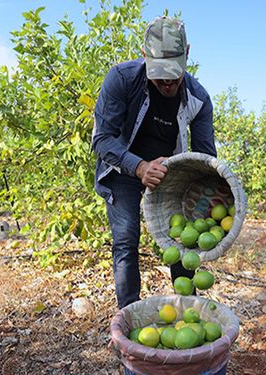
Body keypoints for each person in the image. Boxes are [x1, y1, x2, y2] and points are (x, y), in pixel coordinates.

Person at [91, 16, 216, 309]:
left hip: (169, 174)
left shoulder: (198, 99)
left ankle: (189, 310)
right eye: (160, 73)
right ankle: (129, 315)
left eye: (174, 73)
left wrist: (209, 201)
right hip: (123, 167)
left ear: (187, 54)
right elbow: (102, 140)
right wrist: (139, 167)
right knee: (126, 240)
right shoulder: (122, 79)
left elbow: (206, 159)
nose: (167, 82)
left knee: (182, 239)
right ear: (145, 56)